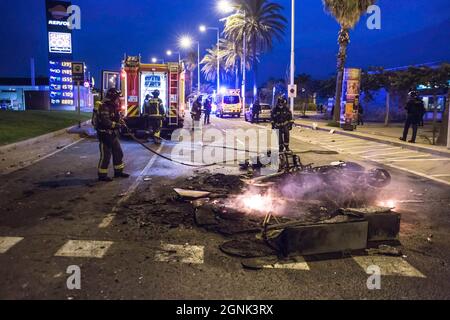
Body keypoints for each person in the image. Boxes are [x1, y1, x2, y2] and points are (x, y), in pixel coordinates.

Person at [96, 88, 130, 182]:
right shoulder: (104, 107)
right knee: (106, 156)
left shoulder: (113, 106)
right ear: (113, 97)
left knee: (118, 153)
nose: (118, 99)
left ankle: (118, 172)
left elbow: (116, 117)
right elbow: (105, 121)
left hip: (113, 135)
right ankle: (102, 175)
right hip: (105, 135)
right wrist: (117, 125)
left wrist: (121, 121)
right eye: (117, 97)